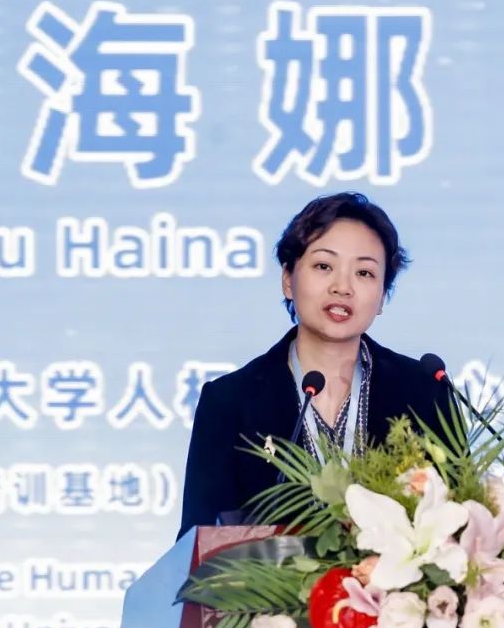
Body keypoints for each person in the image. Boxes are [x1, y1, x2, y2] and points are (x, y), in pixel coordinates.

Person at [177, 192, 454, 539]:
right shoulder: (229, 402)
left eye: (364, 272)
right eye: (324, 266)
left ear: (383, 296)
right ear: (288, 279)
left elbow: (459, 523)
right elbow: (198, 542)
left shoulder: (426, 394)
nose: (342, 287)